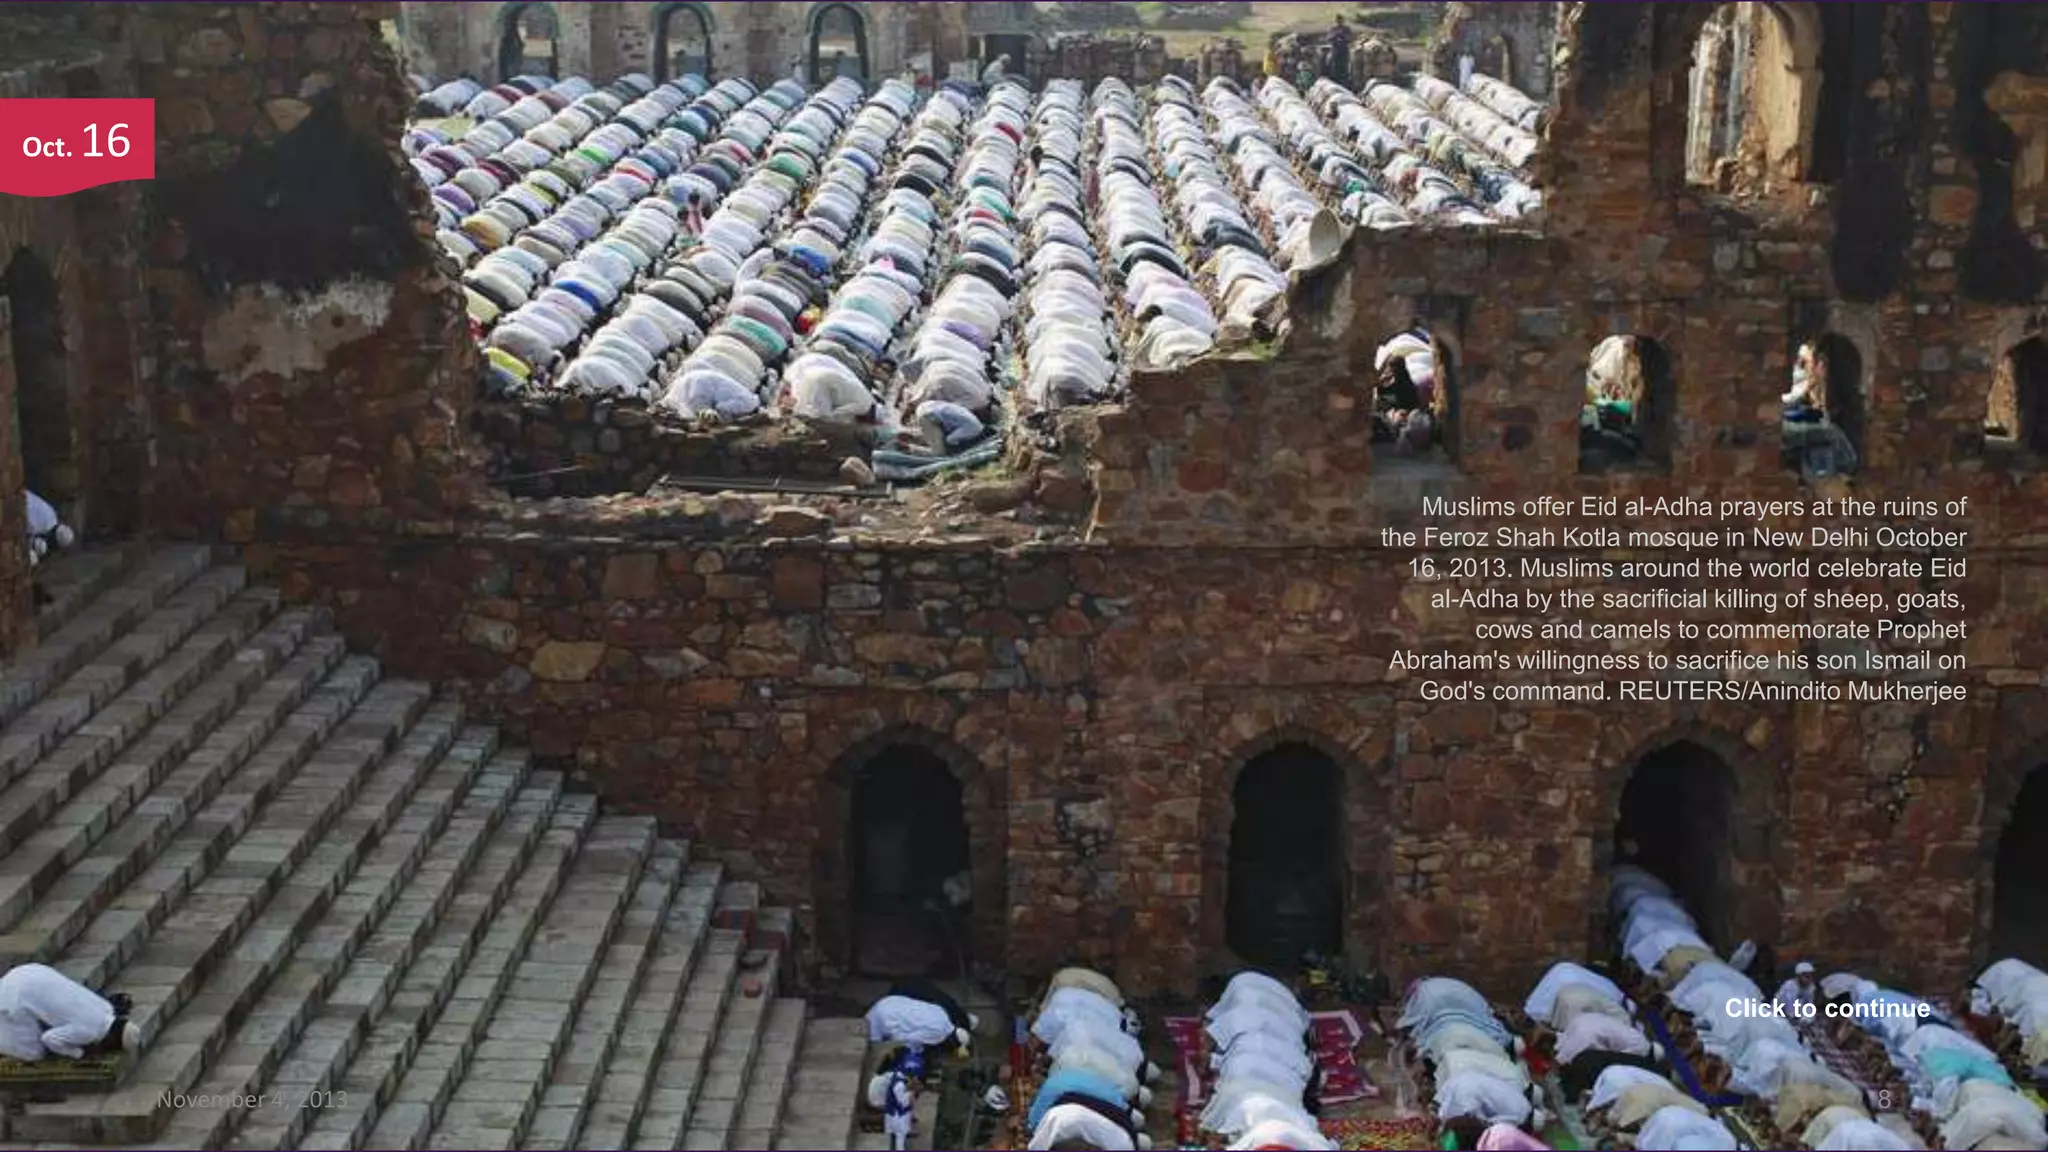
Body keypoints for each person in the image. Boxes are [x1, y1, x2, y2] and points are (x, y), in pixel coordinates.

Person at [0, 963, 138, 1061]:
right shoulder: (89, 1032)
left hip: (30, 971)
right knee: (33, 1054)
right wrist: (78, 1053)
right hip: (12, 996)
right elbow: (49, 1039)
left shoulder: (106, 1007)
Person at [1327, 17, 1352, 86]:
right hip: (1335, 49)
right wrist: (1335, 36)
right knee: (1330, 62)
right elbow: (1329, 38)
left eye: (1341, 21)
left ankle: (1346, 79)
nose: (1339, 22)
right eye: (1338, 21)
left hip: (1344, 50)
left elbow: (1350, 38)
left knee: (1345, 65)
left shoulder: (1346, 29)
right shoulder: (1333, 28)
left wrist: (1343, 37)